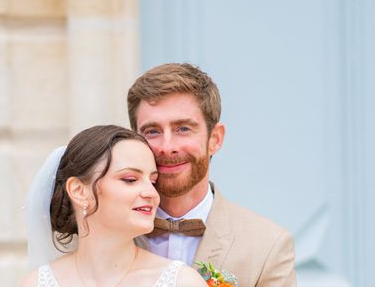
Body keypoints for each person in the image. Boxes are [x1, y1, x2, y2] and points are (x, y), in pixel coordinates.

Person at [127, 63, 297, 286]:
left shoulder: (269, 247)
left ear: (215, 139)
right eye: (152, 131)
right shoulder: (97, 233)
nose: (167, 147)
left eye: (183, 129)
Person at [20, 124, 207, 287]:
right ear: (78, 191)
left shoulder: (182, 282)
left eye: (152, 181)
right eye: (130, 179)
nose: (151, 193)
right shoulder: (37, 283)